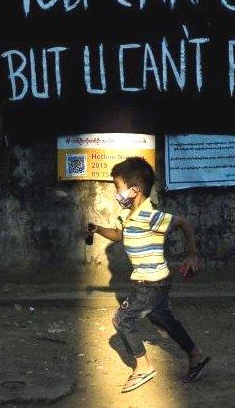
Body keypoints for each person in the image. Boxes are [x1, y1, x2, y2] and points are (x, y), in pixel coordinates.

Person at [86, 156, 210, 393]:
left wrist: (192, 254)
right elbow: (118, 234)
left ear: (134, 190)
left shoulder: (151, 216)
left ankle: (143, 367)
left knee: (121, 319)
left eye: (118, 187)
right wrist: (98, 229)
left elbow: (184, 223)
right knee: (163, 320)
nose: (116, 193)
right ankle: (196, 355)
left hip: (151, 284)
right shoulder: (128, 215)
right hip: (154, 282)